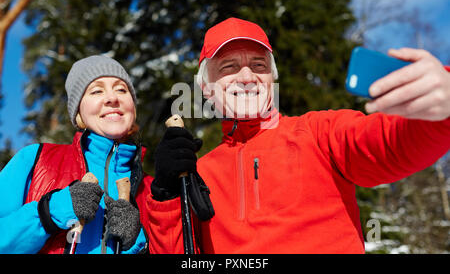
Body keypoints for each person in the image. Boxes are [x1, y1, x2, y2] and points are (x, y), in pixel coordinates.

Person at [145, 17, 450, 253]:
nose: (248, 76)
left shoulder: (319, 133)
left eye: (259, 65)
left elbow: (390, 143)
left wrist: (441, 110)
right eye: (229, 66)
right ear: (206, 88)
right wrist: (166, 194)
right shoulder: (199, 173)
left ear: (272, 79)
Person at [0, 55, 153, 254]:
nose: (112, 98)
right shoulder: (37, 160)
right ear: (78, 113)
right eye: (97, 90)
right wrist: (49, 213)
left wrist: (140, 244)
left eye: (122, 89)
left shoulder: (152, 190)